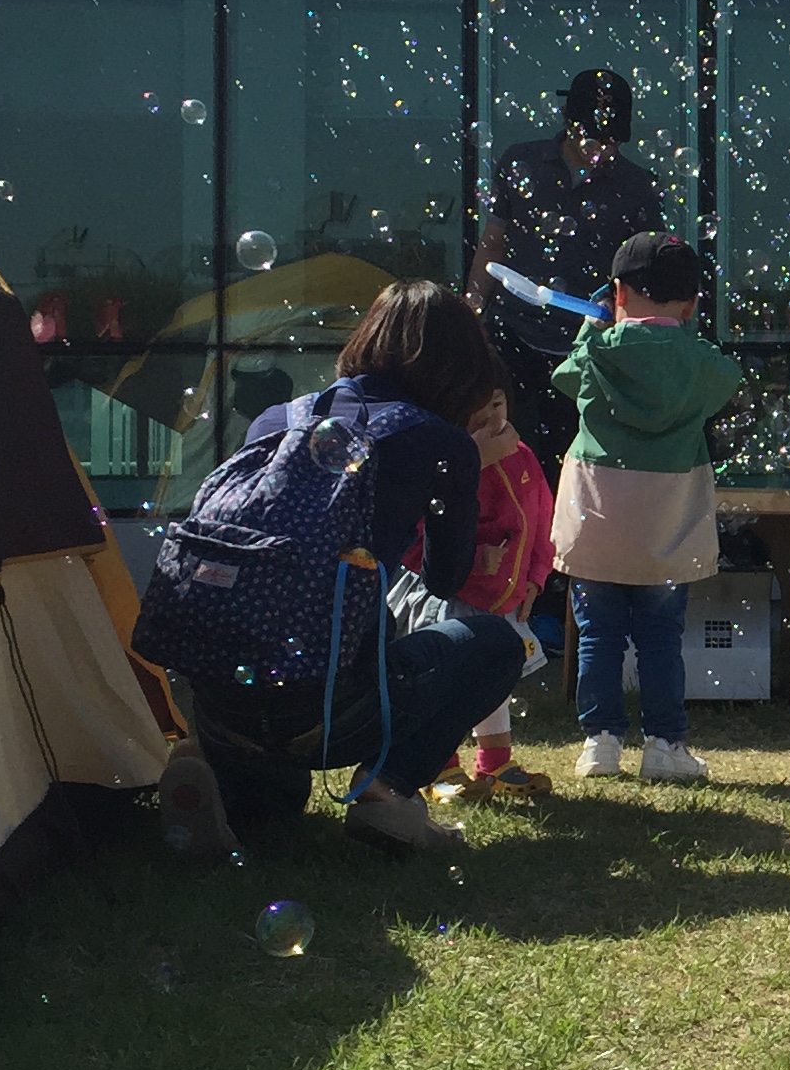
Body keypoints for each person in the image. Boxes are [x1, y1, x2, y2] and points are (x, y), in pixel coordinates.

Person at [173, 280, 532, 858]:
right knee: (497, 643)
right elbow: (446, 580)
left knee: (276, 812)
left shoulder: (278, 419)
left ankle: (216, 767)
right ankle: (385, 790)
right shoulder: (439, 441)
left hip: (223, 694)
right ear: (463, 367)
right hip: (330, 710)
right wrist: (473, 463)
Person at [553, 229, 742, 784]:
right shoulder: (700, 361)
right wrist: (683, 335)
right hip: (667, 519)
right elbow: (725, 379)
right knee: (661, 637)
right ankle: (664, 744)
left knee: (598, 633)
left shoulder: (599, 351)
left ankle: (600, 742)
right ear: (692, 304)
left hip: (596, 516)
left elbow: (566, 376)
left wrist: (592, 326)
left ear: (616, 293)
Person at [474, 68, 667, 463]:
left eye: (612, 140)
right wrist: (472, 312)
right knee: (508, 456)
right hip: (510, 335)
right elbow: (492, 243)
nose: (603, 149)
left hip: (584, 349)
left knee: (572, 464)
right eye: (593, 137)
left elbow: (642, 275)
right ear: (566, 118)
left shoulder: (638, 188)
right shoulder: (521, 162)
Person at [408, 382, 558, 800]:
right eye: (479, 409)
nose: (493, 419)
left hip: (503, 597)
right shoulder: (443, 464)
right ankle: (440, 766)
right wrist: (474, 558)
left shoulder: (522, 455)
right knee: (445, 684)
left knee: (495, 681)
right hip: (451, 599)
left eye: (498, 404)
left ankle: (496, 763)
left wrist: (536, 577)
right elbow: (418, 539)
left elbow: (542, 519)